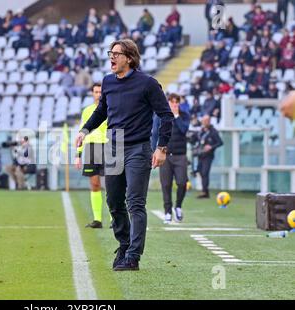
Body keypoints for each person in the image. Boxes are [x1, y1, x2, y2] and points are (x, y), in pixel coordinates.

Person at [75, 39, 174, 271]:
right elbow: (102, 111)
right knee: (113, 201)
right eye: (110, 53)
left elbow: (166, 116)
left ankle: (133, 256)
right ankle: (124, 244)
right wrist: (85, 130)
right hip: (114, 147)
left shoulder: (148, 84)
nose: (111, 57)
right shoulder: (108, 82)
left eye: (116, 54)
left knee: (135, 202)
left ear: (129, 58)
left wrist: (161, 148)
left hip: (138, 149)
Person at [152, 93, 190, 224]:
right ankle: (167, 211)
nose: (174, 104)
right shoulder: (160, 115)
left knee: (182, 182)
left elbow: (184, 130)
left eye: (176, 102)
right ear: (168, 102)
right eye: (172, 102)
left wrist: (177, 116)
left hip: (180, 155)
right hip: (165, 155)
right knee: (166, 184)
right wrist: (154, 151)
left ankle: (178, 206)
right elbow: (155, 133)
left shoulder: (184, 115)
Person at [75, 83, 108, 229]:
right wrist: (78, 154)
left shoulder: (111, 108)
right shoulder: (87, 111)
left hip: (108, 147)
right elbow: (82, 132)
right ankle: (97, 219)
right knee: (95, 184)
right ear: (92, 93)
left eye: (101, 92)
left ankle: (115, 219)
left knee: (112, 185)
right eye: (96, 92)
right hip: (90, 148)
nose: (98, 94)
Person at [194, 115, 223, 199]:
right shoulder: (201, 131)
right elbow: (197, 140)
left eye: (206, 121)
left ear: (209, 121)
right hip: (200, 154)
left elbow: (220, 142)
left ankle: (205, 192)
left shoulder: (213, 131)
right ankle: (204, 191)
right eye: (203, 120)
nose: (204, 122)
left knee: (205, 172)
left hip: (208, 156)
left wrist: (211, 147)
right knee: (200, 171)